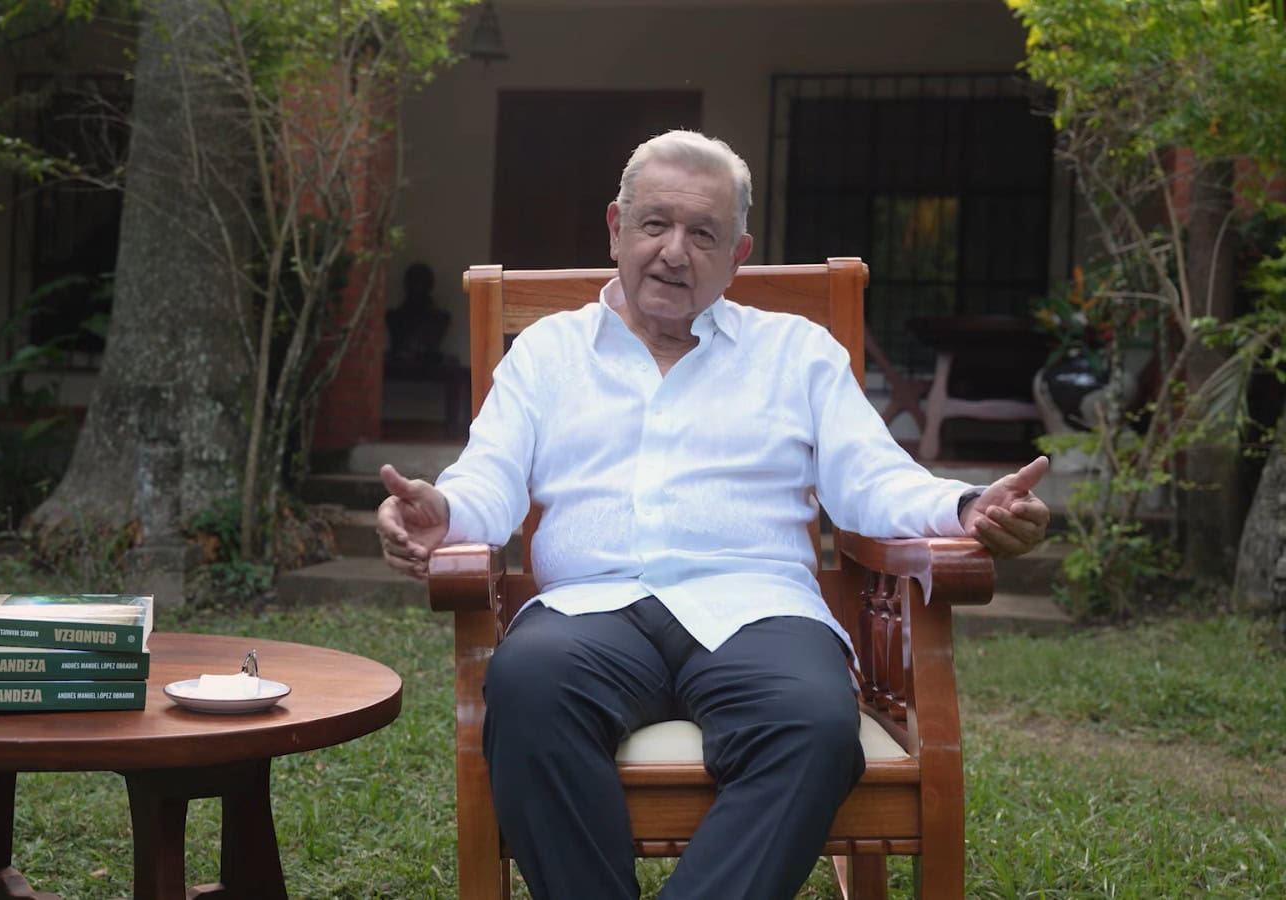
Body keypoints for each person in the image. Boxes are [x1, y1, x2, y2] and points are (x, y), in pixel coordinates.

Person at [374, 130, 1050, 900]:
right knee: (527, 690)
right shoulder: (548, 354)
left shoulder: (797, 353)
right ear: (615, 229)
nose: (673, 251)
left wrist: (965, 507)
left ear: (738, 254)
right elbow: (487, 481)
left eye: (703, 234)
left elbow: (873, 479)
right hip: (589, 612)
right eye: (655, 224)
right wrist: (444, 512)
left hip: (758, 611)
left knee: (814, 726)